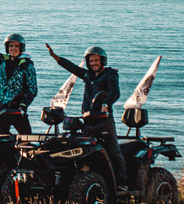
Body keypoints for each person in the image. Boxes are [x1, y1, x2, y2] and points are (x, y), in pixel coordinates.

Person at [46, 43, 128, 191]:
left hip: (104, 120)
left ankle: (123, 184)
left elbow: (115, 93)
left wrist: (107, 104)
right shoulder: (87, 75)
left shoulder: (110, 74)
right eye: (91, 61)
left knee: (114, 151)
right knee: (78, 148)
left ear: (102, 61)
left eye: (96, 60)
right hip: (88, 121)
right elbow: (72, 67)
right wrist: (55, 57)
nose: (93, 63)